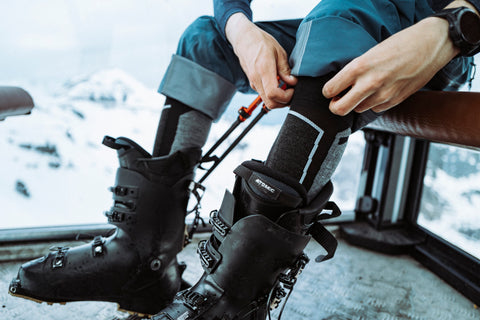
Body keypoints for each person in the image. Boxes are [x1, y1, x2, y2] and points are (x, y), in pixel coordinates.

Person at [9, 0, 479, 319]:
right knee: (206, 37)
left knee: (337, 21)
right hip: (350, 24)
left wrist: (454, 27)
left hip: (436, 40)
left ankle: (236, 298)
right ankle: (142, 260)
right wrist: (241, 30)